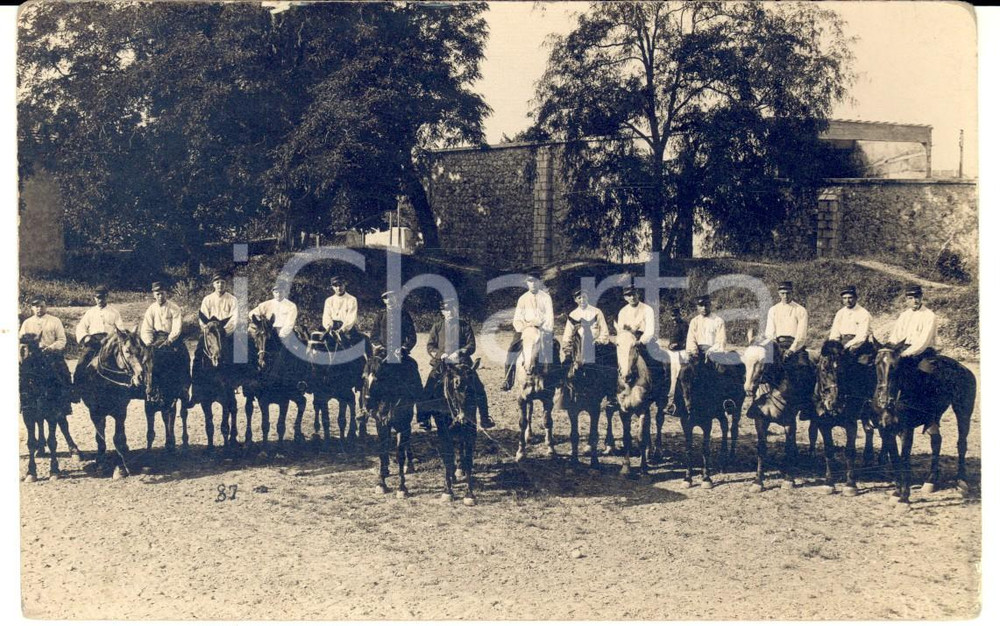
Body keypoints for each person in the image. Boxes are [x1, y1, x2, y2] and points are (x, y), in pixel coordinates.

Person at [422, 297, 494, 429]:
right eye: (446, 310)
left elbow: (471, 345)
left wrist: (460, 352)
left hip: (462, 364)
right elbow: (430, 346)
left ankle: (485, 418)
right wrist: (440, 354)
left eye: (451, 309)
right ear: (442, 312)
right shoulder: (437, 327)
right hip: (442, 364)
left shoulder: (464, 325)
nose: (449, 312)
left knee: (479, 388)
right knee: (429, 387)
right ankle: (424, 419)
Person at [367, 290, 423, 406]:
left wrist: (403, 348)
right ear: (384, 301)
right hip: (383, 352)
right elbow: (373, 336)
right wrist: (380, 347)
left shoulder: (404, 315)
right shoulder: (380, 316)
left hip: (400, 353)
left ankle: (421, 409)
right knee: (370, 370)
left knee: (413, 368)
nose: (390, 301)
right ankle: (367, 405)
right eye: (387, 298)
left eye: (393, 298)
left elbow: (412, 336)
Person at [20, 295, 74, 412]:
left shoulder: (55, 321)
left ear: (46, 307)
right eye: (36, 306)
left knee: (63, 373)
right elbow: (21, 341)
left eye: (41, 306)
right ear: (32, 308)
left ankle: (68, 399)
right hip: (32, 357)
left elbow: (62, 340)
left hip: (51, 355)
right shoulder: (27, 323)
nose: (39, 309)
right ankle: (22, 402)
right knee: (21, 375)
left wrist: (51, 348)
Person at [501, 275, 554, 391]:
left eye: (535, 281)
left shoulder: (546, 298)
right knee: (512, 349)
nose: (533, 284)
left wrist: (544, 328)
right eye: (530, 281)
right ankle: (507, 380)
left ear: (539, 282)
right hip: (525, 329)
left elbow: (550, 316)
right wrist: (524, 327)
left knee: (553, 347)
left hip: (542, 329)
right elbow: (517, 318)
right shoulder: (523, 299)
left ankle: (556, 379)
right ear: (527, 283)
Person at [887, 284, 938, 398]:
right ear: (906, 300)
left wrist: (905, 354)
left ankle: (923, 406)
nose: (914, 301)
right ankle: (889, 399)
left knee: (924, 372)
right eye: (911, 298)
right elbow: (896, 335)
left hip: (923, 352)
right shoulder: (904, 315)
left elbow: (923, 341)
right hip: (903, 350)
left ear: (921, 297)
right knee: (887, 368)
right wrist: (891, 348)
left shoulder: (929, 316)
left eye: (917, 297)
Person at [139, 281, 188, 381]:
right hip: (156, 339)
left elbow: (177, 328)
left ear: (166, 293)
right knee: (145, 359)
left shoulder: (174, 308)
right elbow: (146, 328)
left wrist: (169, 340)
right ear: (154, 295)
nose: (160, 296)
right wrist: (149, 343)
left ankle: (183, 387)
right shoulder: (151, 309)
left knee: (183, 357)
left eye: (162, 293)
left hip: (172, 339)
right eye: (158, 294)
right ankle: (148, 385)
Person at [75, 285, 126, 366]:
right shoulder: (90, 312)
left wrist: (115, 338)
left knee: (124, 361)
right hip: (94, 342)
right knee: (81, 363)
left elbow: (121, 329)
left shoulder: (114, 312)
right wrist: (86, 337)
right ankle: (78, 378)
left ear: (106, 297)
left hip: (110, 342)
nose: (100, 300)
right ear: (95, 298)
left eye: (102, 298)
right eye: (97, 298)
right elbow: (81, 327)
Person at [764, 280, 810, 367]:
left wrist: (792, 350)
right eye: (782, 293)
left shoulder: (800, 310)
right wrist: (776, 348)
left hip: (795, 345)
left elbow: (801, 334)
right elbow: (770, 332)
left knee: (803, 366)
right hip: (778, 345)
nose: (785, 296)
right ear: (778, 294)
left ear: (792, 293)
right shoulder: (773, 310)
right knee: (764, 366)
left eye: (788, 293)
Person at [828, 285, 875, 365]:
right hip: (842, 341)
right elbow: (835, 332)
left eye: (850, 297)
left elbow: (861, 336)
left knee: (858, 362)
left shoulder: (863, 313)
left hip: (859, 343)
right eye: (845, 298)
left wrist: (846, 346)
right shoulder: (840, 313)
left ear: (856, 298)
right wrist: (834, 344)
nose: (848, 301)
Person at [561, 287, 610, 357]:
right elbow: (567, 334)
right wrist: (567, 348)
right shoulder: (573, 315)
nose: (582, 300)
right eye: (579, 298)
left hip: (596, 346)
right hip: (578, 347)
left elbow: (604, 331)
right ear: (575, 300)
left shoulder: (596, 312)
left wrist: (599, 341)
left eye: (584, 297)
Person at [662, 306, 690, 413]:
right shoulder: (671, 326)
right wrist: (670, 346)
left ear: (679, 315)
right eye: (672, 316)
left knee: (678, 375)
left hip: (681, 352)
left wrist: (678, 345)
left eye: (675, 315)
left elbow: (687, 340)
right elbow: (670, 340)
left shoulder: (684, 325)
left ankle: (676, 401)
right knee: (667, 373)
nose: (673, 318)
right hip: (672, 353)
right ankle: (668, 399)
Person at [321, 275, 360, 348]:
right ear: (332, 287)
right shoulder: (329, 300)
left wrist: (343, 329)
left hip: (346, 328)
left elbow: (351, 317)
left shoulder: (352, 299)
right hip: (331, 326)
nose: (338, 288)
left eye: (340, 285)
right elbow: (326, 316)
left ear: (344, 285)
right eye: (335, 286)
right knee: (318, 342)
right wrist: (329, 327)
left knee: (348, 346)